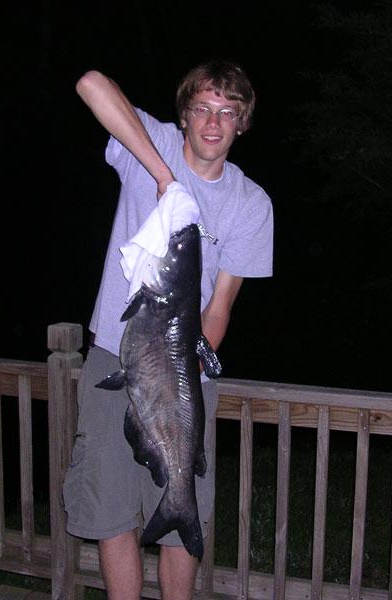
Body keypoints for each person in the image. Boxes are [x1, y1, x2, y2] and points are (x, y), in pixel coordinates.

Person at [63, 61, 273, 600]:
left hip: (183, 371)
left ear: (242, 123)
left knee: (184, 494)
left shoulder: (251, 204)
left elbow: (219, 307)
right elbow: (90, 84)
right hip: (113, 357)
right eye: (202, 108)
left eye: (227, 112)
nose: (213, 122)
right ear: (183, 116)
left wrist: (188, 372)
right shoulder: (151, 143)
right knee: (111, 505)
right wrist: (163, 177)